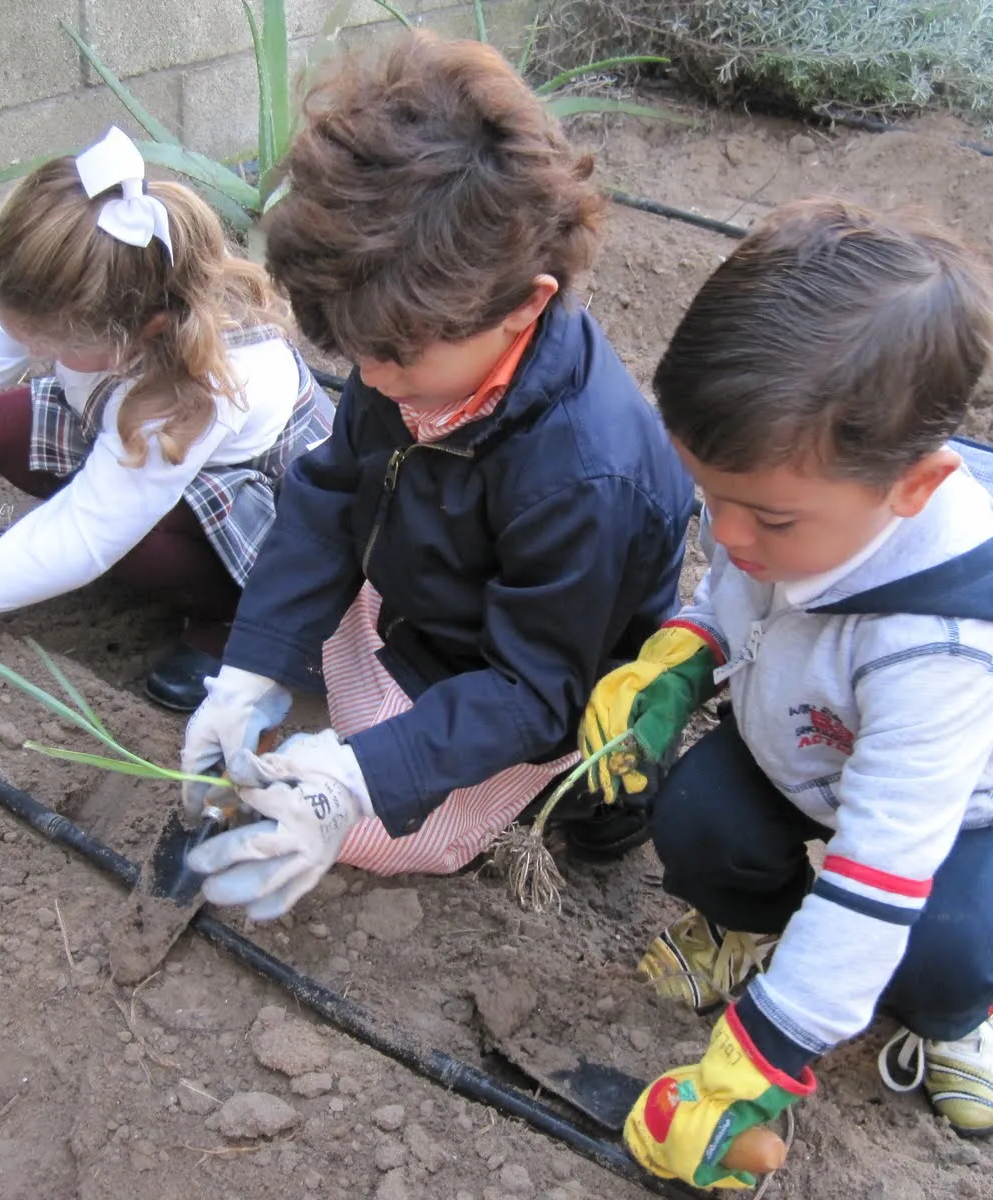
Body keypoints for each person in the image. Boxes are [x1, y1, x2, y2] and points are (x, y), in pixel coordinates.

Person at [581, 199, 993, 1190]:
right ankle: (748, 923)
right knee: (696, 815)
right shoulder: (793, 506)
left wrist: (765, 1056)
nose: (726, 533)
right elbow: (730, 596)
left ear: (913, 487)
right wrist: (678, 660)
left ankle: (958, 1016)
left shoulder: (944, 648)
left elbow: (879, 867)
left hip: (952, 823)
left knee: (948, 939)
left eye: (761, 513)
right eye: (708, 494)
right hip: (798, 746)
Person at [176, 32, 694, 916]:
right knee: (302, 671)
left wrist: (353, 779)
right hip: (414, 593)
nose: (369, 379)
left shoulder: (585, 479)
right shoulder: (413, 341)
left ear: (525, 303)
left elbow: (533, 686)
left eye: (394, 359)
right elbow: (334, 492)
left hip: (518, 673)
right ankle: (354, 714)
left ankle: (589, 792)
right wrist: (251, 671)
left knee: (374, 833)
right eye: (356, 351)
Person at [0, 127, 330, 710]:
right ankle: (130, 567)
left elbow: (86, 534)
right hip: (147, 453)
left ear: (141, 332)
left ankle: (229, 619)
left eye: (48, 345)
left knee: (136, 541)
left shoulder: (205, 386)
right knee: (5, 426)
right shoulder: (98, 280)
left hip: (269, 516)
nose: (30, 352)